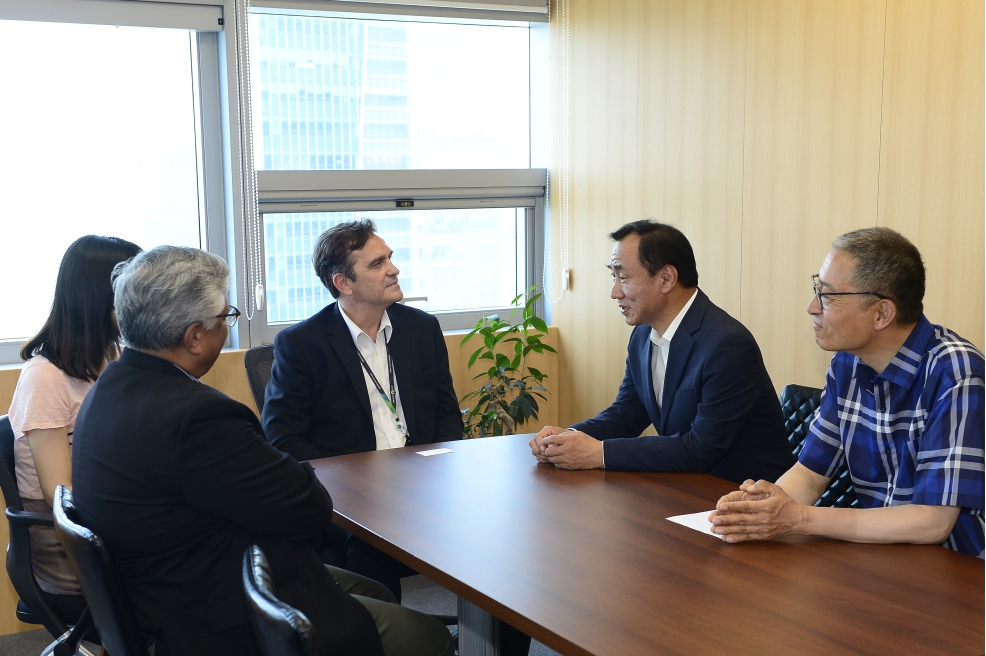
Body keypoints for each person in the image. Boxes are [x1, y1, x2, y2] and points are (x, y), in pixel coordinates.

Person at [71, 246, 454, 656]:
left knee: (372, 587)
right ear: (194, 335)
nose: (227, 326)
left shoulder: (109, 390)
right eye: (225, 317)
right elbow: (306, 509)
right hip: (220, 610)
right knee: (427, 637)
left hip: (164, 587)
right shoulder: (198, 417)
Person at [710, 228, 984, 557]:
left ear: (882, 313)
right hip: (878, 557)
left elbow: (932, 521)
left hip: (958, 569)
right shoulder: (847, 364)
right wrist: (760, 512)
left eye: (827, 296)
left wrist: (799, 519)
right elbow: (809, 476)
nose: (812, 307)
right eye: (817, 289)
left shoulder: (957, 374)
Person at [262, 219, 462, 598]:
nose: (394, 269)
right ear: (343, 283)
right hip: (351, 498)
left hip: (426, 484)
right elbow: (282, 439)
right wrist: (360, 482)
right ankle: (388, 638)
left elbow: (447, 413)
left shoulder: (422, 329)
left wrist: (437, 470)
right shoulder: (302, 344)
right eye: (376, 264)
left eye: (390, 257)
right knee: (370, 542)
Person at [530, 220, 793, 483]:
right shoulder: (642, 335)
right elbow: (628, 412)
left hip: (744, 498)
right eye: (614, 276)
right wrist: (565, 438)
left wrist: (599, 453)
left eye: (625, 277)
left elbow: (701, 448)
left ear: (666, 278)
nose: (614, 292)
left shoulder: (728, 345)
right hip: (684, 489)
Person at [8, 235, 141, 605]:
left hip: (107, 518)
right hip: (69, 539)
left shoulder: (113, 356)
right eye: (135, 291)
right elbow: (60, 493)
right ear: (102, 297)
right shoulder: (44, 377)